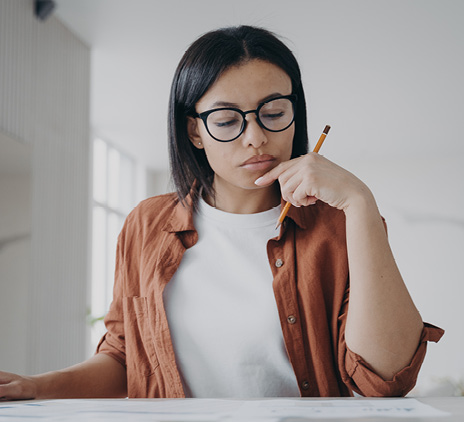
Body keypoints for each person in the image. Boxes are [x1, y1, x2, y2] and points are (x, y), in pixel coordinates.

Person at [0, 25, 443, 401]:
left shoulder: (340, 224)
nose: (255, 137)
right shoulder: (146, 225)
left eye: (273, 113)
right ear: (194, 131)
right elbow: (124, 355)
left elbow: (385, 376)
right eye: (228, 121)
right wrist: (37, 386)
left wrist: (362, 204)